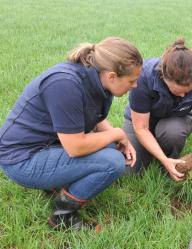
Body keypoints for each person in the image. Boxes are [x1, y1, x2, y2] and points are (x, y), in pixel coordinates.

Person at [0, 37, 142, 231]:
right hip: (21, 159)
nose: (135, 86)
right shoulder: (65, 84)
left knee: (112, 148)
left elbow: (96, 118)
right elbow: (75, 147)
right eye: (132, 81)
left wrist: (121, 140)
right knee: (112, 162)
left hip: (49, 146)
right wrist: (117, 133)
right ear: (111, 76)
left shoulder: (98, 81)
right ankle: (63, 215)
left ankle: (55, 183)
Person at [122, 38, 192, 180]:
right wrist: (162, 159)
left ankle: (171, 159)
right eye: (178, 91)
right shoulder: (143, 76)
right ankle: (160, 156)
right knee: (129, 171)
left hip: (174, 120)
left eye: (188, 92)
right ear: (164, 78)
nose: (183, 95)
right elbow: (141, 128)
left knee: (173, 132)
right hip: (142, 123)